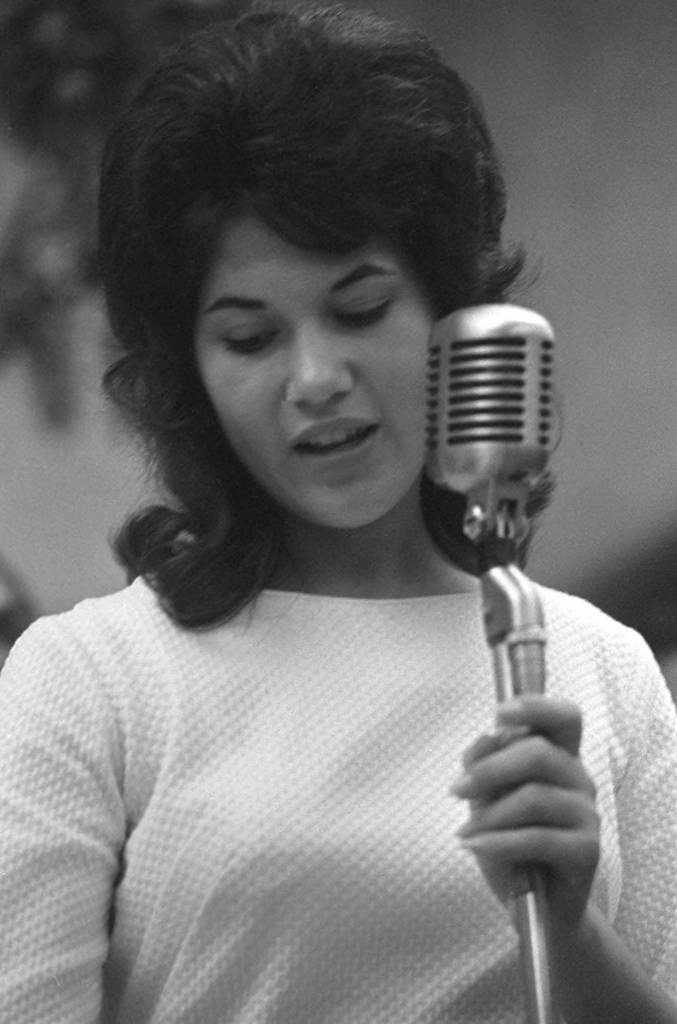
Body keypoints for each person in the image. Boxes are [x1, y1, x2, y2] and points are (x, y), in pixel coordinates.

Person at [1, 3, 676, 1022]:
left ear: (454, 317)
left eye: (359, 309)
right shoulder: (92, 683)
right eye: (248, 337)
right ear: (187, 374)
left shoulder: (603, 673)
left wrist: (566, 924)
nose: (316, 378)